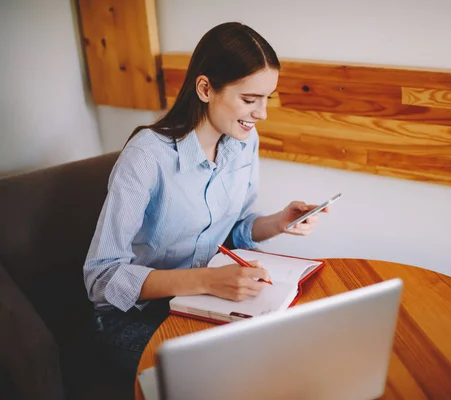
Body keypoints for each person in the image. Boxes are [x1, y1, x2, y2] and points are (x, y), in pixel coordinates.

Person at [83, 22, 328, 381]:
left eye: (266, 98)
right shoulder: (146, 157)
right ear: (205, 88)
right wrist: (207, 282)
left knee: (289, 350)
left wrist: (279, 221)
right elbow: (102, 278)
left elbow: (236, 230)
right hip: (133, 318)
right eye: (249, 99)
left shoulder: (244, 141)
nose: (262, 114)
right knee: (233, 375)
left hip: (199, 302)